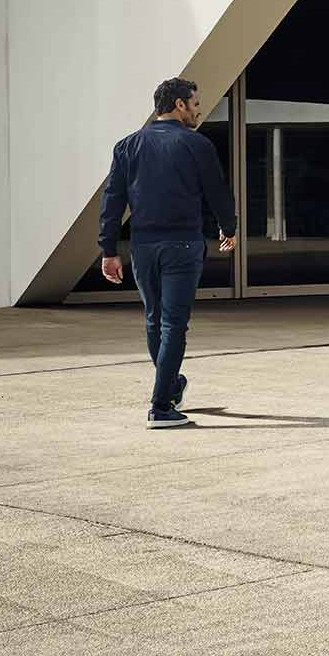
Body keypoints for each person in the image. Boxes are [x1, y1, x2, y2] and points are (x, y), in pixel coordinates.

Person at [99, 77, 237, 428]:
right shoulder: (196, 145)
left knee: (154, 320)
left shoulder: (127, 146)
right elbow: (216, 192)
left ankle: (171, 385)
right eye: (194, 102)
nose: (198, 109)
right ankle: (161, 407)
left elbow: (113, 202)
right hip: (183, 245)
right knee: (173, 325)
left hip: (143, 247)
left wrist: (109, 250)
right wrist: (229, 228)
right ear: (178, 105)